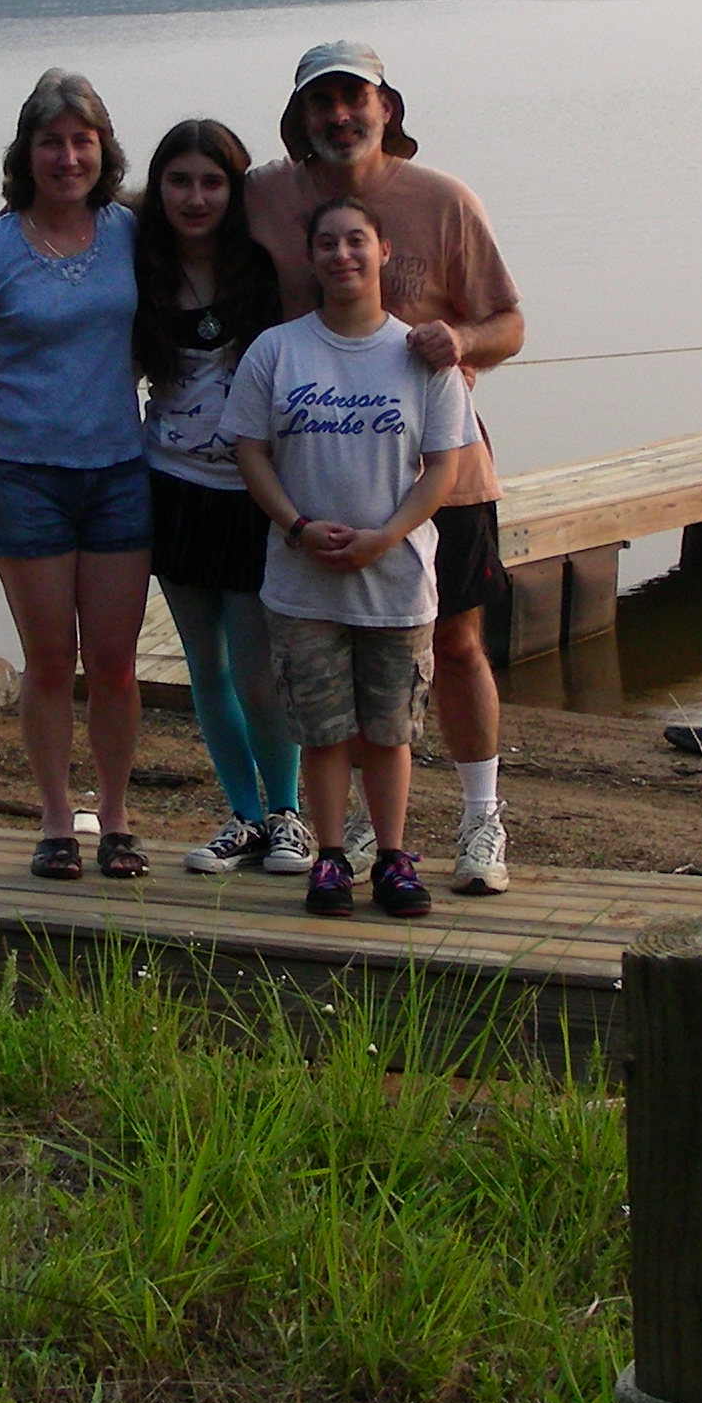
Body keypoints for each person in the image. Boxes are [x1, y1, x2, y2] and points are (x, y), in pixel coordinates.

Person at [243, 40, 525, 894]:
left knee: (458, 640)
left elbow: (509, 321)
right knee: (351, 654)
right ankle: (368, 828)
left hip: (445, 471)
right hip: (322, 477)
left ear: (386, 108)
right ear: (299, 119)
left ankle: (481, 818)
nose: (339, 116)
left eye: (353, 98)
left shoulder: (443, 200)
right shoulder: (266, 194)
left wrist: (463, 340)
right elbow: (175, 204)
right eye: (320, 103)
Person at [0, 69, 151, 883]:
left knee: (117, 665)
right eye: (51, 141)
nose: (68, 156)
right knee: (50, 662)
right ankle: (56, 820)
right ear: (27, 151)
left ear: (103, 149)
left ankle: (116, 819)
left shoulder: (131, 233)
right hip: (26, 480)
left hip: (122, 470)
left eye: (82, 140)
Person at [225, 196, 474, 918]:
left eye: (356, 242)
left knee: (390, 731)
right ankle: (331, 858)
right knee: (324, 729)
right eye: (327, 244)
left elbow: (441, 468)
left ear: (383, 251)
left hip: (395, 584)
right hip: (303, 584)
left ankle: (393, 857)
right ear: (311, 257)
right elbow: (250, 450)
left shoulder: (422, 356)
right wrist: (298, 526)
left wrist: (387, 535)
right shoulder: (277, 350)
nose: (342, 256)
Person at [131, 118, 309, 876]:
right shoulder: (140, 268)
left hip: (252, 493)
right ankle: (242, 814)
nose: (196, 197)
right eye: (180, 181)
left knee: (258, 671)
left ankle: (289, 814)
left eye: (213, 182)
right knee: (204, 665)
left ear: (236, 190)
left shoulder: (265, 271)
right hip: (170, 488)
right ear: (158, 188)